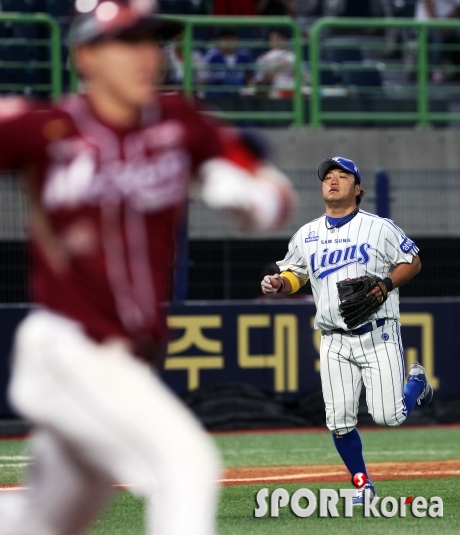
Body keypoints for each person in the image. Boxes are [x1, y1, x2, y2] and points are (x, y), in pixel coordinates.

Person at [0, 2, 294, 535]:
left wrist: (247, 194)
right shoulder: (48, 130)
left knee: (43, 521)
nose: (145, 56)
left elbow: (274, 194)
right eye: (126, 42)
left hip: (124, 360)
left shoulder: (180, 123)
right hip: (69, 349)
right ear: (86, 54)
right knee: (185, 465)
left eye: (150, 41)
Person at [261, 156, 433, 505]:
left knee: (390, 416)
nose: (333, 180)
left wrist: (385, 285)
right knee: (339, 422)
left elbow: (412, 261)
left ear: (358, 189)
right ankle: (363, 487)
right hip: (334, 340)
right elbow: (296, 274)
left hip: (377, 333)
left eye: (343, 176)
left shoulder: (379, 227)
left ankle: (417, 383)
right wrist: (281, 283)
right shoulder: (307, 234)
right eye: (328, 176)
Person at [416, 0, 460, 82]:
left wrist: (445, 25)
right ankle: (436, 70)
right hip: (427, 24)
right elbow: (428, 6)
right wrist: (439, 25)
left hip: (448, 25)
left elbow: (456, 9)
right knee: (437, 37)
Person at [203, 28, 253, 97]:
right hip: (218, 94)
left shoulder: (244, 56)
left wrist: (250, 90)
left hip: (238, 94)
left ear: (237, 40)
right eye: (226, 39)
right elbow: (204, 78)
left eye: (232, 39)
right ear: (219, 41)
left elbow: (249, 78)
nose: (229, 42)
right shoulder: (212, 56)